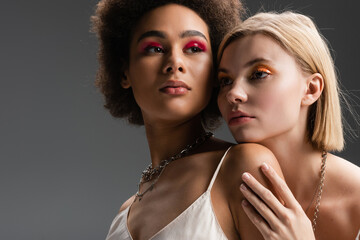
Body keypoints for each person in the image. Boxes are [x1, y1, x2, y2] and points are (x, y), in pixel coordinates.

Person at [92, 1, 286, 239]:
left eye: (194, 48)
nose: (175, 63)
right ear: (125, 73)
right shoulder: (125, 212)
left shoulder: (244, 168)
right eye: (154, 48)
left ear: (215, 70)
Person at [217, 11, 360, 240]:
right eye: (225, 81)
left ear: (311, 89)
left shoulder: (356, 200)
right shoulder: (214, 188)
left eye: (259, 74)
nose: (233, 94)